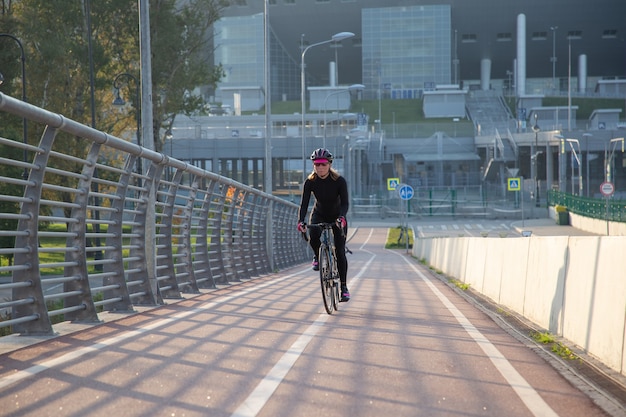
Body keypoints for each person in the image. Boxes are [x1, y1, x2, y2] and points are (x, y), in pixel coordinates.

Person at [297, 148, 350, 302]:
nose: (320, 167)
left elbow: (345, 203)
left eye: (323, 164)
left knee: (340, 251)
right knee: (313, 236)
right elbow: (304, 204)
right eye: (317, 164)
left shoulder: (339, 181)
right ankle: (317, 255)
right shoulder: (310, 182)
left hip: (337, 216)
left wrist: (341, 217)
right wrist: (301, 221)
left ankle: (344, 287)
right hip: (319, 213)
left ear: (329, 164)